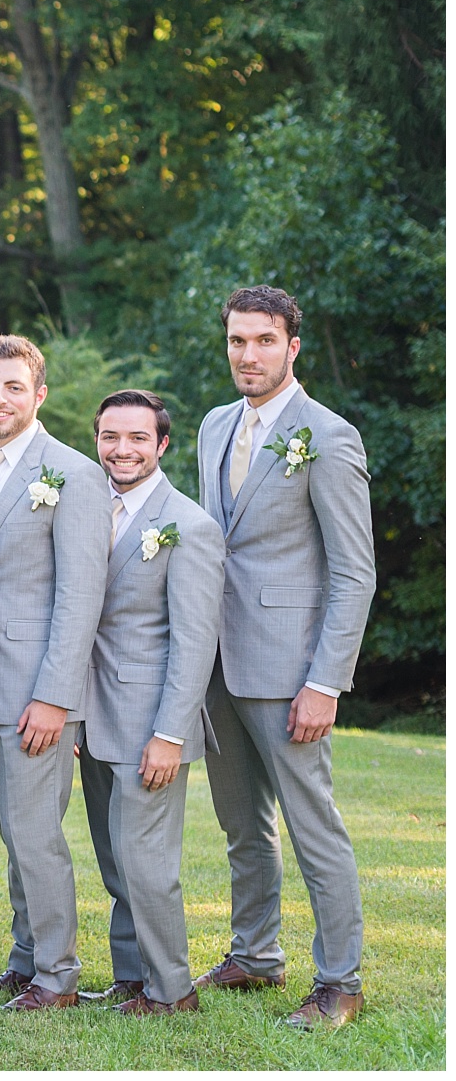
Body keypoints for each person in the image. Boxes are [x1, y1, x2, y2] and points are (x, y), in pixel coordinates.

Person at [194, 285, 375, 1031]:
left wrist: (325, 681)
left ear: (292, 347)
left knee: (312, 827)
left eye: (264, 340)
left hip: (291, 669)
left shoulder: (328, 436)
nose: (248, 354)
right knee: (242, 824)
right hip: (215, 663)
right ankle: (255, 954)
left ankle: (340, 983)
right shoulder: (212, 426)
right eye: (237, 340)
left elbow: (354, 572)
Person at [0, 334, 110, 1012]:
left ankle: (57, 975)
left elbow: (81, 595)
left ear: (38, 394)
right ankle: (24, 957)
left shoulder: (73, 473)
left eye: (14, 386)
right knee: (13, 831)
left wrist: (55, 697)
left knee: (37, 834)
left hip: (37, 690)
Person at [79, 390, 224, 1016]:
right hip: (92, 715)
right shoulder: (85, 510)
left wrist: (170, 734)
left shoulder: (188, 526)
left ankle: (172, 989)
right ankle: (132, 976)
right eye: (111, 436)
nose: (123, 449)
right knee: (115, 858)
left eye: (138, 438)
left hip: (151, 723)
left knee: (147, 861)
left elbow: (194, 644)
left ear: (161, 444)